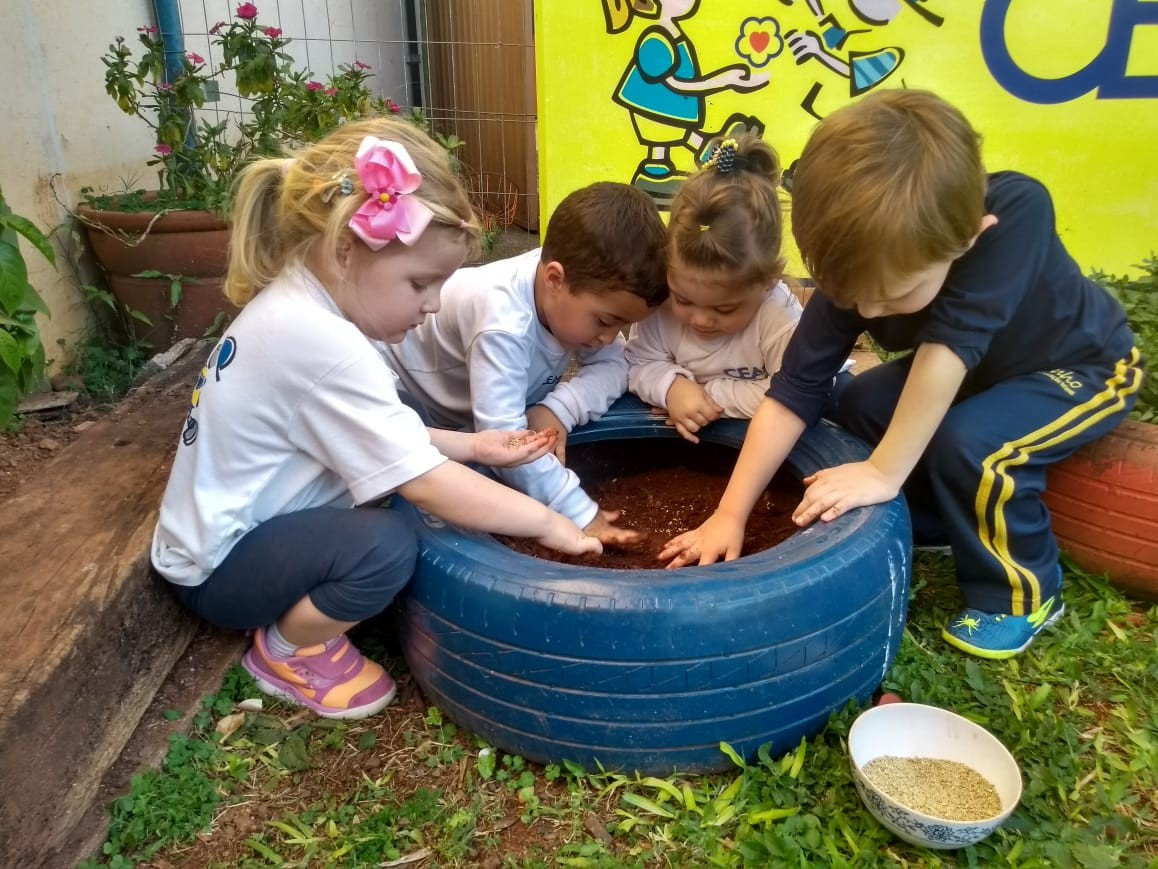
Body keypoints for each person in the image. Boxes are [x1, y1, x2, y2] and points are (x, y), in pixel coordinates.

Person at [661, 89, 1144, 660]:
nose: (867, 312)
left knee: (975, 444)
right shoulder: (861, 255)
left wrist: (883, 471)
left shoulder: (1016, 213)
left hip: (1077, 367)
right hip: (978, 373)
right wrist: (729, 513)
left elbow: (946, 353)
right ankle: (938, 524)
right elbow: (793, 391)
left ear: (969, 237)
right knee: (860, 401)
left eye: (892, 298)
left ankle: (1021, 596)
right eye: (849, 296)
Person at [151, 118, 602, 720]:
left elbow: (378, 430)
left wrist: (474, 447)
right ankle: (286, 651)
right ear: (346, 250)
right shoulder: (324, 345)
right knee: (386, 548)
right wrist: (548, 521)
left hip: (221, 539)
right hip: (219, 572)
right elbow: (426, 484)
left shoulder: (300, 305)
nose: (434, 304)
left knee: (382, 521)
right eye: (420, 283)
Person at [380, 181, 669, 545]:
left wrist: (557, 410)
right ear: (555, 279)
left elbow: (615, 367)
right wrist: (578, 510)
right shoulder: (504, 323)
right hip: (404, 394)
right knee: (399, 484)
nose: (610, 338)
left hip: (464, 412)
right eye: (605, 321)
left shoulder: (573, 288)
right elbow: (508, 442)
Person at [625, 135, 803, 442]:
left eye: (724, 308)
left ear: (768, 282)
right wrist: (672, 387)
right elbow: (637, 362)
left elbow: (794, 392)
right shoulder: (661, 303)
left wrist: (708, 395)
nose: (701, 320)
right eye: (683, 300)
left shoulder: (778, 316)